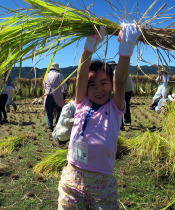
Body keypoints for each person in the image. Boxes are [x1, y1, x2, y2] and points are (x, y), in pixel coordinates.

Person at [58, 23, 141, 209]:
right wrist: (90, 44)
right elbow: (81, 74)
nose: (98, 89)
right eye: (92, 85)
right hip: (73, 174)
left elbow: (120, 81)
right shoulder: (81, 102)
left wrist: (126, 49)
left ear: (111, 86)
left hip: (102, 180)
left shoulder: (115, 107)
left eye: (104, 83)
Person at [44, 63, 67, 131]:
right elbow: (64, 86)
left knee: (49, 111)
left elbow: (44, 86)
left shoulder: (46, 76)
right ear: (57, 69)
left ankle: (50, 126)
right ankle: (57, 123)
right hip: (57, 96)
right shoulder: (59, 75)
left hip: (47, 95)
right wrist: (63, 90)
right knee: (59, 110)